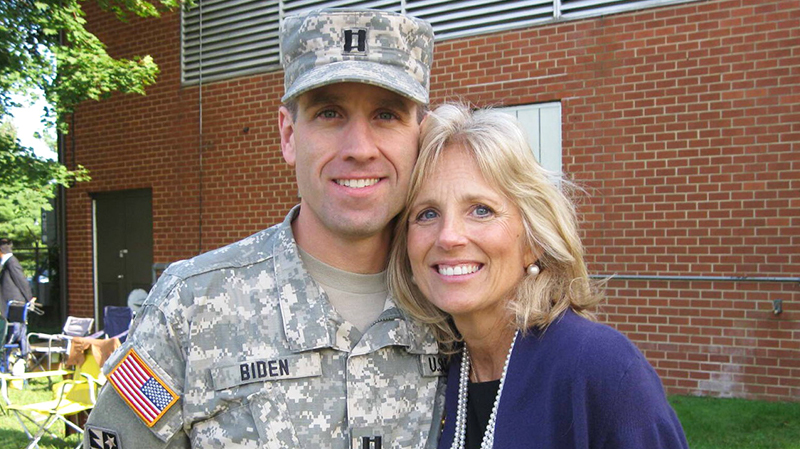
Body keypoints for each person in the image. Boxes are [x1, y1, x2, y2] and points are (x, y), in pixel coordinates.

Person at [84, 9, 444, 449]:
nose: (359, 149)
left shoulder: (454, 306)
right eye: (330, 113)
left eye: (387, 115)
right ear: (289, 134)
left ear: (420, 137)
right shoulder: (190, 307)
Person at [388, 104, 690, 449]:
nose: (448, 236)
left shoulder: (603, 370)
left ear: (533, 240)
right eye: (427, 214)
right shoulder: (431, 371)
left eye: (481, 210)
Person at [0, 238, 34, 318]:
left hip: (14, 304)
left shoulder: (12, 262)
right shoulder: (4, 263)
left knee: (16, 329)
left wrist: (29, 299)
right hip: (8, 305)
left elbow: (21, 281)